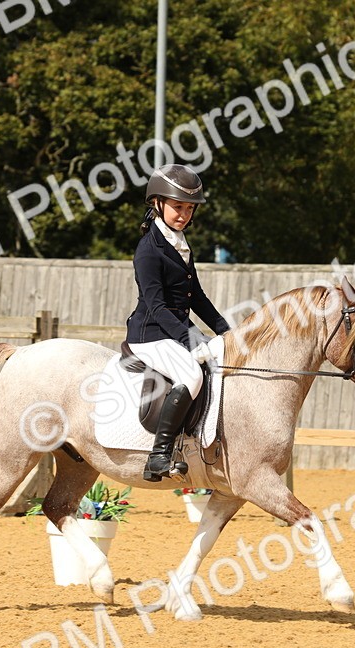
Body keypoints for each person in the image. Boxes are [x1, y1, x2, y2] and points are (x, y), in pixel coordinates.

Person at [125, 163, 231, 481]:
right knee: (192, 374)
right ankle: (159, 455)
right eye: (177, 207)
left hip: (175, 332)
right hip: (150, 335)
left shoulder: (181, 245)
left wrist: (226, 331)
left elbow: (196, 297)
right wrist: (192, 340)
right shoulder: (148, 251)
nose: (183, 214)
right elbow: (157, 308)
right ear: (158, 204)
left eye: (188, 208)